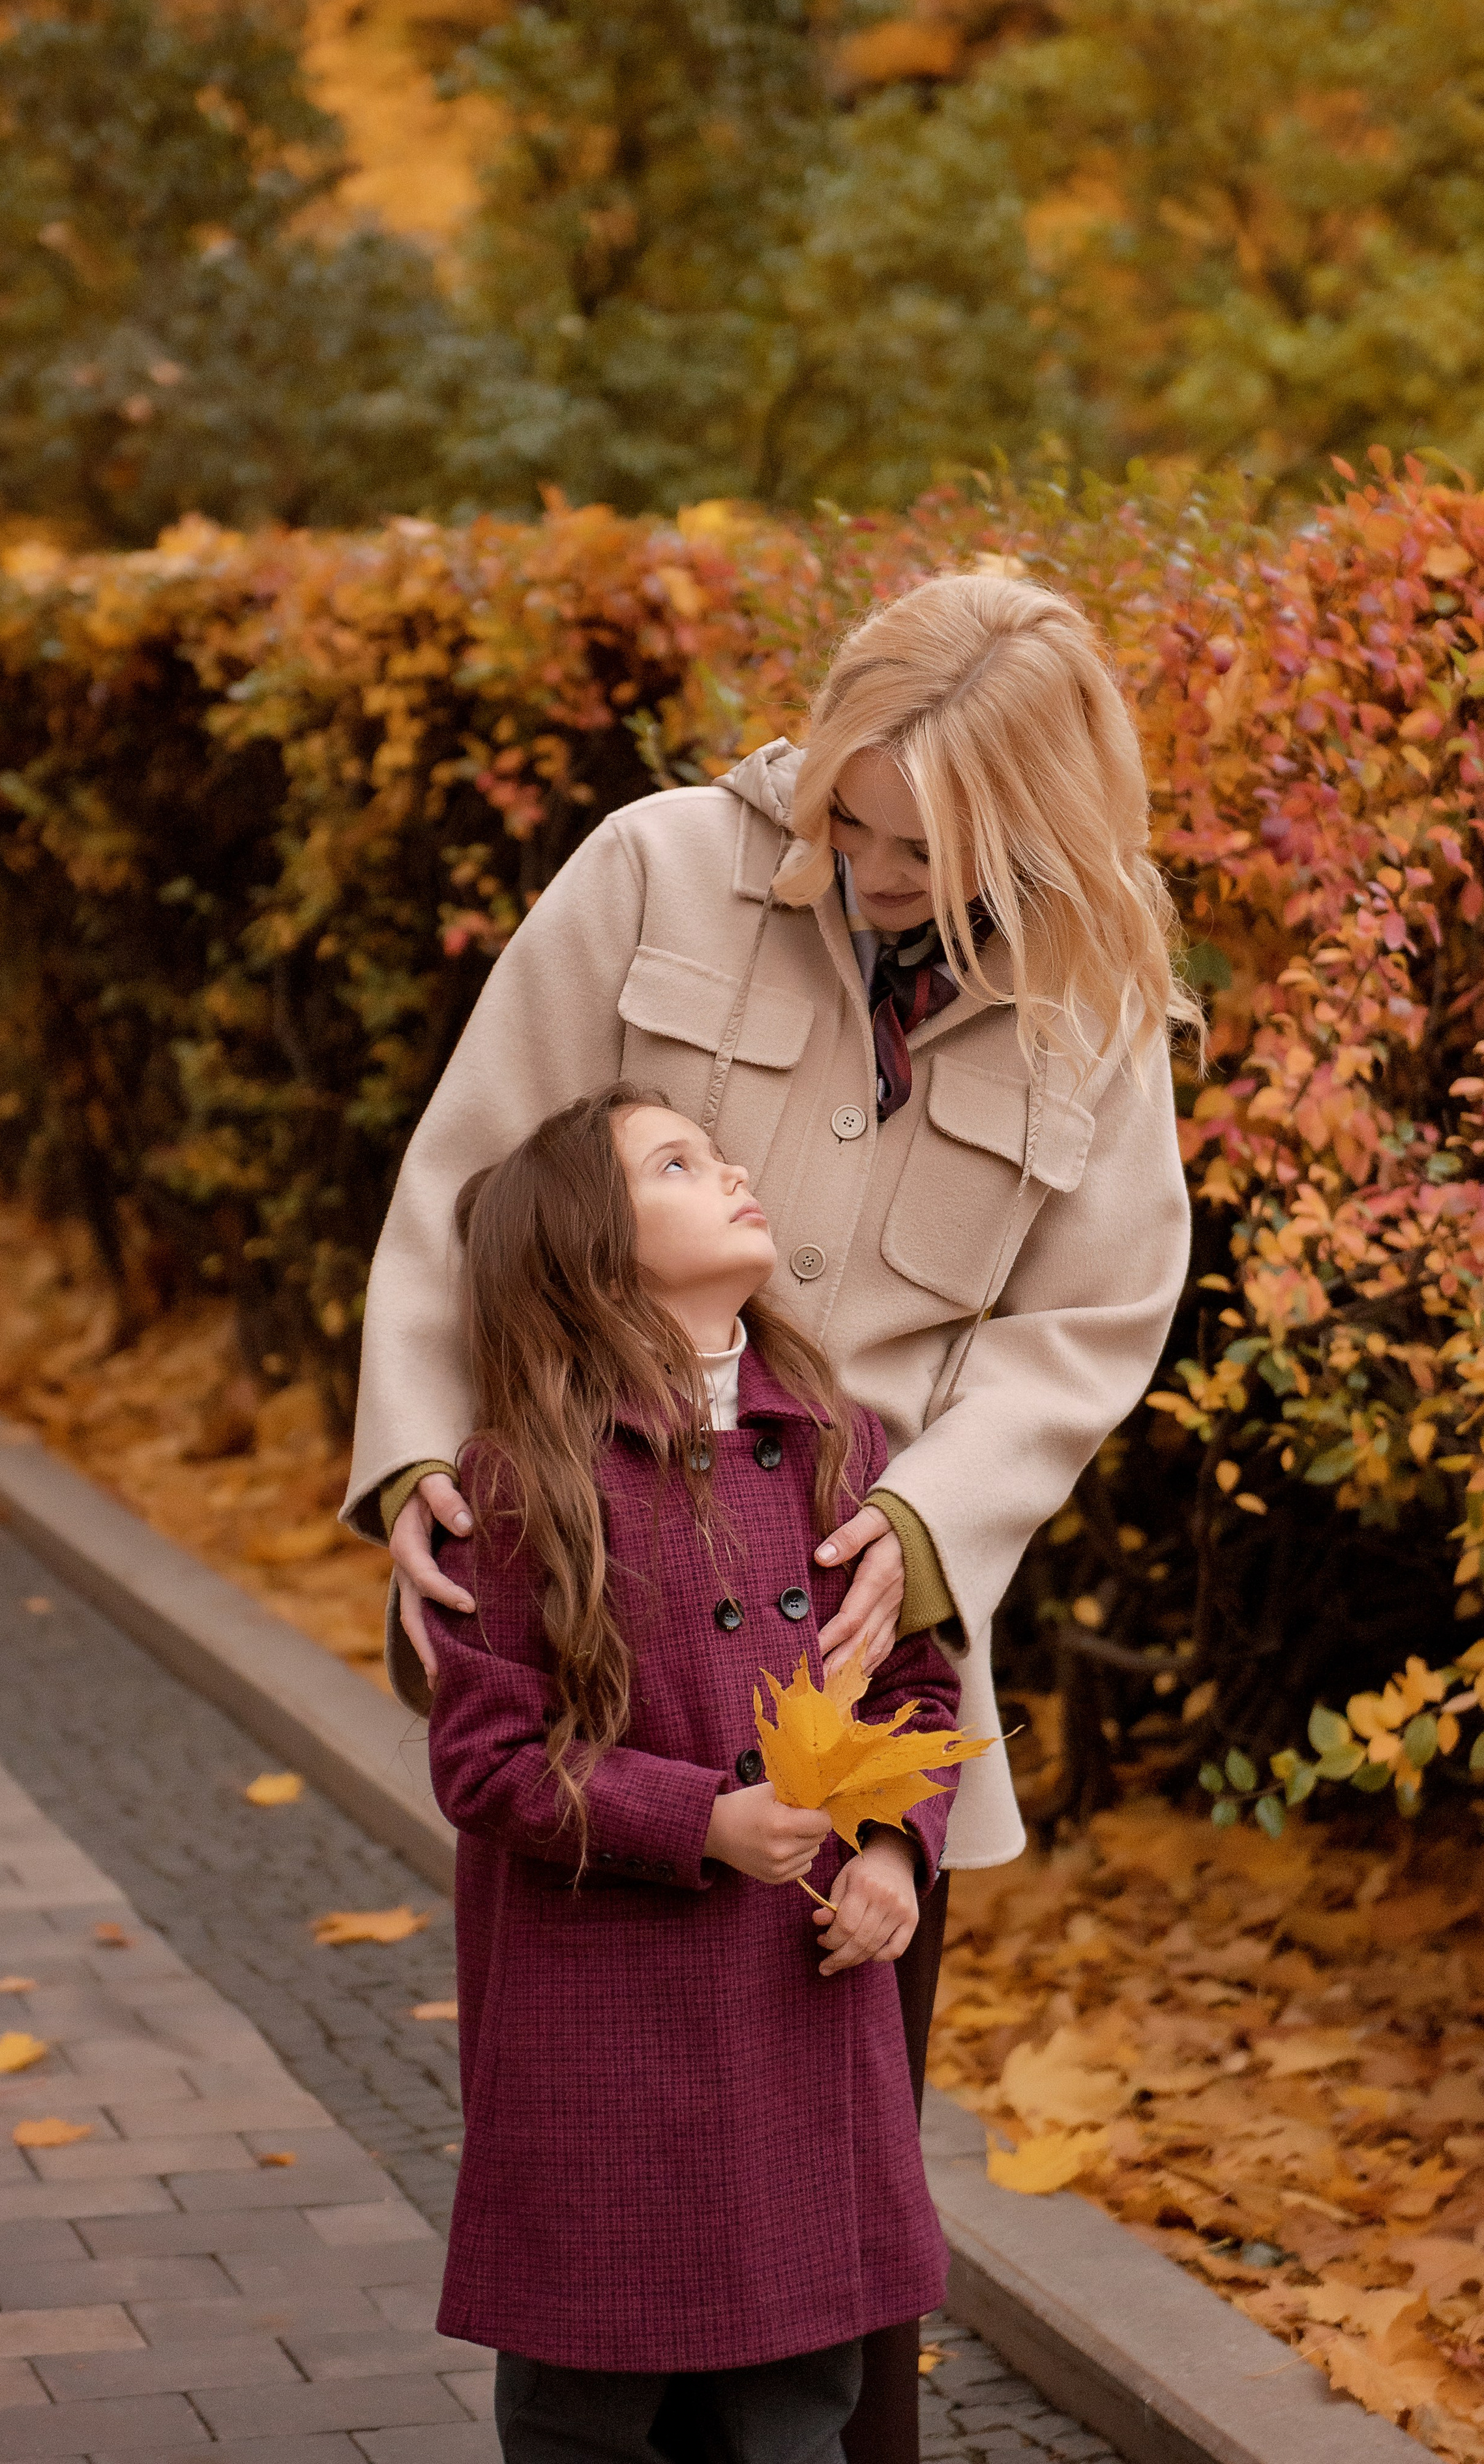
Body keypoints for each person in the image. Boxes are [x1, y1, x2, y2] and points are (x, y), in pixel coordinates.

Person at [345, 571, 1196, 2461]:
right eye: (852, 818)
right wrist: (416, 1459)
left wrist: (929, 1514)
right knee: (603, 2156)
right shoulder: (654, 871)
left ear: (1043, 828)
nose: (873, 872)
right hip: (598, 1602)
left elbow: (1091, 1318)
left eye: (926, 847)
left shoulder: (1100, 1003)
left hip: (865, 1638)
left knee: (838, 2198)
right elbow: (476, 1169)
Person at [426, 1083, 964, 2464]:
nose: (730, 1171)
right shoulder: (520, 1483)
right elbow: (487, 1761)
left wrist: (894, 1850)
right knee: (582, 2414)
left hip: (794, 2020)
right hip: (597, 2041)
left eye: (718, 1152)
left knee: (797, 2411)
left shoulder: (838, 1453)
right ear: (591, 1253)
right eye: (677, 1163)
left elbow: (912, 1688)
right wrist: (698, 1820)